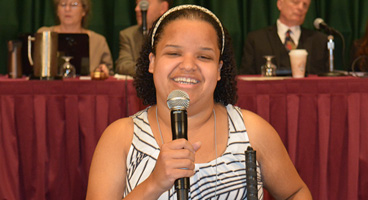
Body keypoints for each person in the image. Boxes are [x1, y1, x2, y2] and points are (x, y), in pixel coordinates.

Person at [86, 5, 312, 200]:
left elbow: (296, 192)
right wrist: (153, 184)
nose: (188, 65)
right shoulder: (121, 137)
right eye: (174, 53)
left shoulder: (253, 131)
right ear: (152, 62)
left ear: (219, 70)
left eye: (204, 56)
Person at [240, 0, 329, 75]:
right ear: (280, 4)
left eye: (305, 5)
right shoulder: (256, 40)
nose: (301, 8)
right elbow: (246, 81)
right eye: (296, 2)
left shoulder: (320, 41)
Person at [37, 0, 113, 76]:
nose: (67, 9)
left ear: (84, 11)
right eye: (63, 4)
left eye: (73, 5)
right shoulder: (44, 35)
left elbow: (109, 73)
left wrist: (103, 71)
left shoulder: (98, 41)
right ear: (57, 11)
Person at [114, 0, 171, 77]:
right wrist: (151, 68)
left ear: (163, 7)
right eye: (137, 4)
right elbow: (123, 65)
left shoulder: (175, 35)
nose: (137, 9)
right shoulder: (128, 35)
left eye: (143, 3)